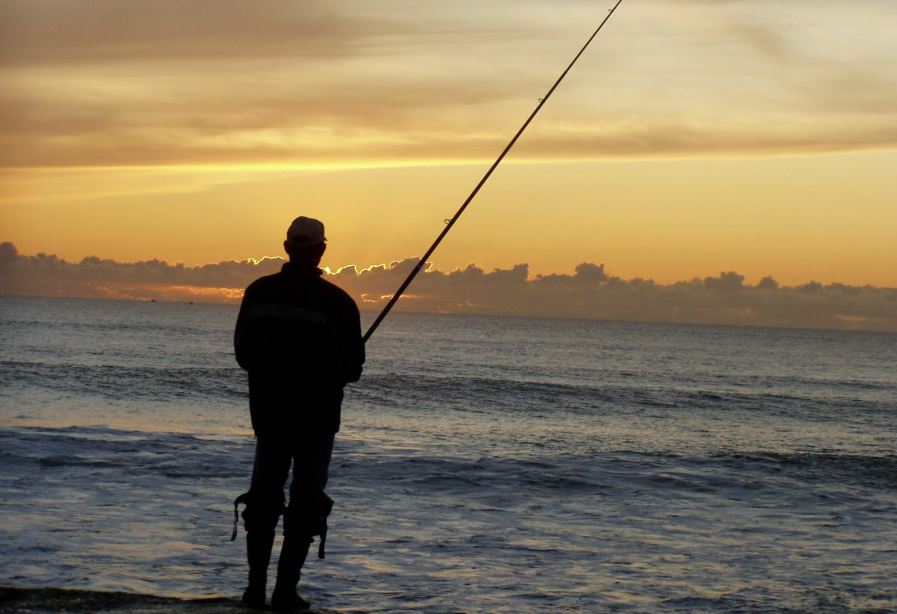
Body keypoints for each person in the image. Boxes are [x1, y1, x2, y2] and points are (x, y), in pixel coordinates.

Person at [234, 216, 365, 610]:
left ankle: (255, 590)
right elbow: (353, 369)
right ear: (322, 250)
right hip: (317, 419)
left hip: (269, 416)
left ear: (287, 247)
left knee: (264, 497)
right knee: (305, 499)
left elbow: (243, 354)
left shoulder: (259, 293)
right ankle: (284, 591)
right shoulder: (339, 302)